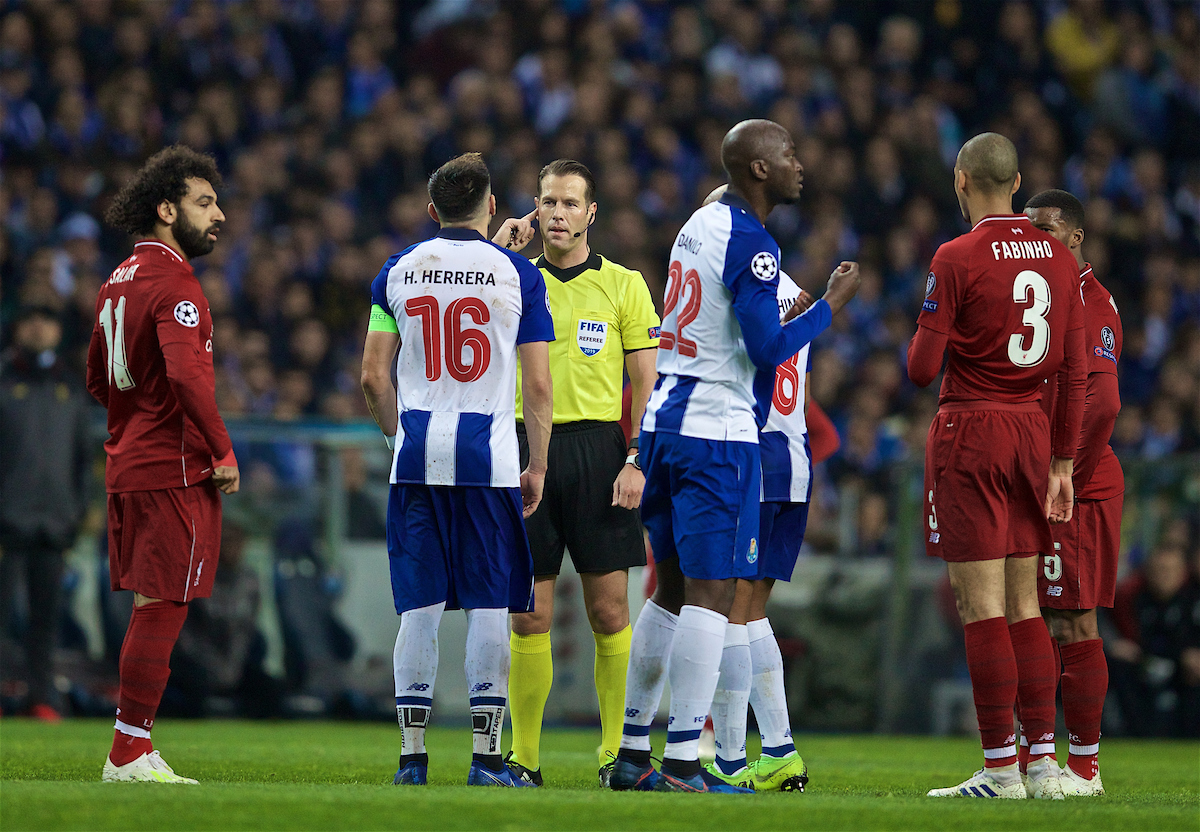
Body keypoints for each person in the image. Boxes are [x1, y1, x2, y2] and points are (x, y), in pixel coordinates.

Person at [609, 119, 860, 794]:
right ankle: (687, 762)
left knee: (667, 592)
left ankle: (634, 753)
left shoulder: (699, 222)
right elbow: (766, 348)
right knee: (715, 595)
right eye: (788, 154)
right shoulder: (753, 241)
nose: (799, 165)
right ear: (757, 169)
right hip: (716, 431)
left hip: (664, 418)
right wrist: (828, 308)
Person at [360, 152, 555, 788]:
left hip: (416, 457)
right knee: (489, 608)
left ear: (430, 210)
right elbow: (540, 387)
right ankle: (487, 760)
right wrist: (538, 465)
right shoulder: (519, 276)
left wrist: (398, 434)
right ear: (492, 208)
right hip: (488, 460)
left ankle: (412, 760)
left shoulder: (396, 271)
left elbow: (371, 376)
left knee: (418, 607)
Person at [908, 133, 1086, 800]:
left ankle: (1000, 770)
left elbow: (922, 369)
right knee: (1025, 605)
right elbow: (1072, 375)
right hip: (1034, 435)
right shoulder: (1063, 264)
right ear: (1016, 184)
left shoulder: (956, 256)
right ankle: (1043, 763)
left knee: (978, 606)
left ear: (962, 181)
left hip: (973, 429)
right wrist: (1063, 463)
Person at [491, 159, 661, 788]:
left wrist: (637, 458)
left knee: (610, 610)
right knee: (527, 614)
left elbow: (647, 385)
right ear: (534, 211)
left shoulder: (625, 285)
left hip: (598, 451)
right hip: (522, 447)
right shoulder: (510, 280)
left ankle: (617, 755)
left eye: (569, 203)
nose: (557, 214)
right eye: (547, 203)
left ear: (592, 213)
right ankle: (524, 759)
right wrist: (494, 251)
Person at [86, 145, 240, 784]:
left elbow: (97, 378)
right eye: (205, 204)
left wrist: (135, 418)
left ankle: (135, 745)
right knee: (165, 604)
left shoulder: (116, 281)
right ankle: (127, 750)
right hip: (173, 469)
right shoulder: (177, 284)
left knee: (155, 601)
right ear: (167, 208)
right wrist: (220, 448)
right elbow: (184, 374)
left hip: (129, 462)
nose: (220, 216)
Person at [696, 185, 818, 793]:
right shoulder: (791, 290)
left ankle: (734, 758)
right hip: (794, 461)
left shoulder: (746, 283)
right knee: (751, 613)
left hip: (753, 455)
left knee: (727, 615)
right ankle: (779, 749)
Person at [1024, 188, 1123, 796]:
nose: (1035, 240)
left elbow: (1103, 401)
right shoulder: (1039, 294)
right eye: (1028, 229)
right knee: (1025, 616)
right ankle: (1027, 761)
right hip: (1038, 481)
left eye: (1047, 229)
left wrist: (1065, 476)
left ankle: (1085, 770)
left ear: (1076, 237)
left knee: (1071, 622)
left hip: (1075, 487)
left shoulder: (1092, 300)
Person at [0, 305, 93, 721]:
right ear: (17, 328)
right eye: (31, 319)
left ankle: (40, 696)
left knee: (46, 619)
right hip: (6, 521)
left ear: (58, 330)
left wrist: (76, 511)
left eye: (47, 319)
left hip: (54, 523)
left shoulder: (71, 389)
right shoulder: (4, 383)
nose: (39, 326)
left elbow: (82, 458)